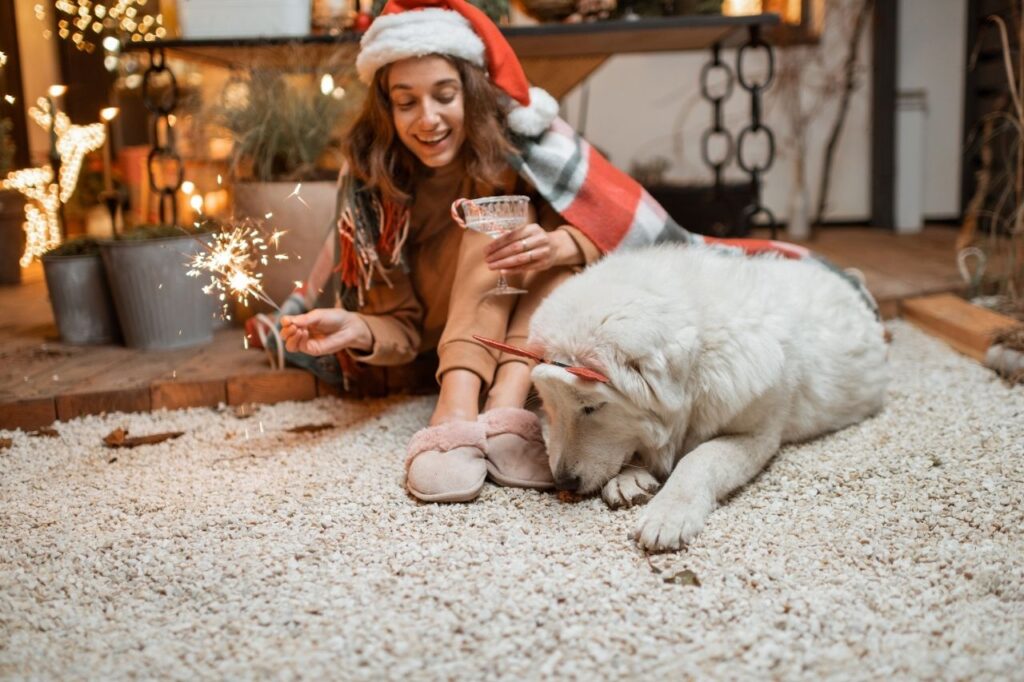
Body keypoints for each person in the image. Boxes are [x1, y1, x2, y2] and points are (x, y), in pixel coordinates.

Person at [264, 0, 817, 503]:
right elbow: (403, 328)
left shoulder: (521, 151)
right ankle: (456, 405)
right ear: (387, 110)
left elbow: (609, 234)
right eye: (406, 102)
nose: (427, 118)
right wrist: (361, 331)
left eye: (444, 95)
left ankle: (509, 407)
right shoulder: (374, 186)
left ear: (471, 91)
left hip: (521, 343)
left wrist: (558, 242)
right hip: (447, 345)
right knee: (497, 220)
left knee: (551, 244)